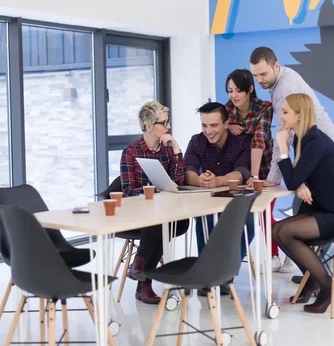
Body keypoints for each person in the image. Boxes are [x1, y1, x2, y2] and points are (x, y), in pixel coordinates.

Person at [249, 46, 334, 275]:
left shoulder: (286, 88)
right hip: (311, 151)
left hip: (322, 153)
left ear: (276, 66)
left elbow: (282, 135)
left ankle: (320, 274)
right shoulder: (279, 82)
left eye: (263, 74)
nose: (260, 80)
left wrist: (272, 178)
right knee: (302, 210)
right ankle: (308, 270)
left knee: (320, 211)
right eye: (255, 75)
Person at [271, 93, 334, 314]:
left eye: (285, 112)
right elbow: (301, 175)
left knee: (285, 233)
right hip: (330, 206)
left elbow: (293, 178)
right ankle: (313, 280)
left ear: (300, 115)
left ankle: (328, 288)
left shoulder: (315, 141)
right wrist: (301, 182)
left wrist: (282, 151)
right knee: (277, 230)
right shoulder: (303, 138)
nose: (281, 116)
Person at [120, 101, 190, 304]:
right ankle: (144, 282)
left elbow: (177, 182)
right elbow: (127, 191)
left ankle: (139, 265)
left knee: (177, 222)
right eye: (163, 123)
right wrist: (150, 192)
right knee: (160, 222)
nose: (168, 127)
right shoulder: (131, 152)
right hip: (138, 212)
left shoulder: (167, 150)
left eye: (168, 122)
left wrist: (177, 150)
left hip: (163, 213)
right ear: (149, 126)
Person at [183, 101, 254, 296]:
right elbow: (187, 170)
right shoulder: (196, 141)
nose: (208, 131)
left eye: (213, 125)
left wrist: (219, 180)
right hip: (208, 199)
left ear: (226, 124)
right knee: (203, 217)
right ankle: (206, 275)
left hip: (234, 199)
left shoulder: (242, 142)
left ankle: (227, 272)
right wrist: (200, 180)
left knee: (248, 222)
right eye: (204, 126)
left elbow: (242, 172)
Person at [224, 69, 283, 272]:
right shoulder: (227, 111)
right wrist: (228, 126)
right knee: (247, 216)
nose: (234, 95)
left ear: (250, 89)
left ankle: (278, 254)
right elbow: (217, 131)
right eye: (230, 90)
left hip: (265, 170)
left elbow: (258, 140)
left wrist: (256, 176)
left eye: (239, 90)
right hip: (239, 172)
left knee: (264, 213)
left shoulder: (264, 107)